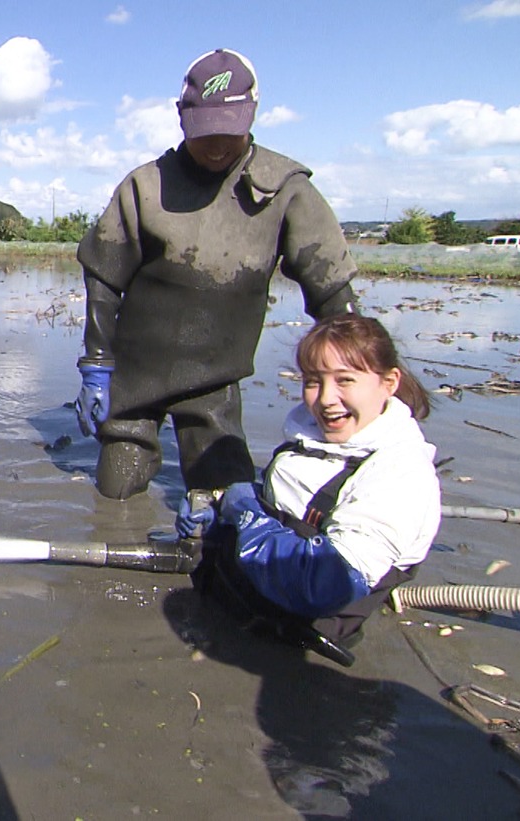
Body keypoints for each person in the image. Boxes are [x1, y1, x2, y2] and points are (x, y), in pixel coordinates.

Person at [75, 48, 358, 503]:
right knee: (114, 497)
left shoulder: (286, 191)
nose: (217, 146)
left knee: (230, 506)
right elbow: (104, 280)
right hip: (136, 374)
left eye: (230, 132)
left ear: (252, 116)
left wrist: (356, 377)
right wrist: (96, 364)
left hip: (213, 377)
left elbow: (333, 293)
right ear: (182, 117)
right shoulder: (146, 187)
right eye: (205, 133)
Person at [189, 315, 440, 665]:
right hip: (241, 602)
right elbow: (288, 504)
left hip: (291, 643)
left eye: (345, 381)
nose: (324, 399)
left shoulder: (400, 473)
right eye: (312, 381)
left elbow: (324, 584)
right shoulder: (311, 438)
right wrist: (218, 515)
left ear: (389, 383)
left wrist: (246, 515)